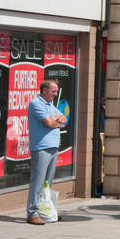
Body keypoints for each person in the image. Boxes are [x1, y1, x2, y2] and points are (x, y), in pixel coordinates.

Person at [26, 79, 68, 225]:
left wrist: (56, 120)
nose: (55, 94)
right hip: (41, 147)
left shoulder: (50, 105)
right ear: (44, 90)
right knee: (37, 181)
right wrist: (55, 122)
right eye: (53, 91)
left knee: (47, 183)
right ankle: (33, 212)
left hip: (53, 146)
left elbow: (64, 119)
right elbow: (49, 123)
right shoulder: (36, 103)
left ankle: (46, 210)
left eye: (56, 91)